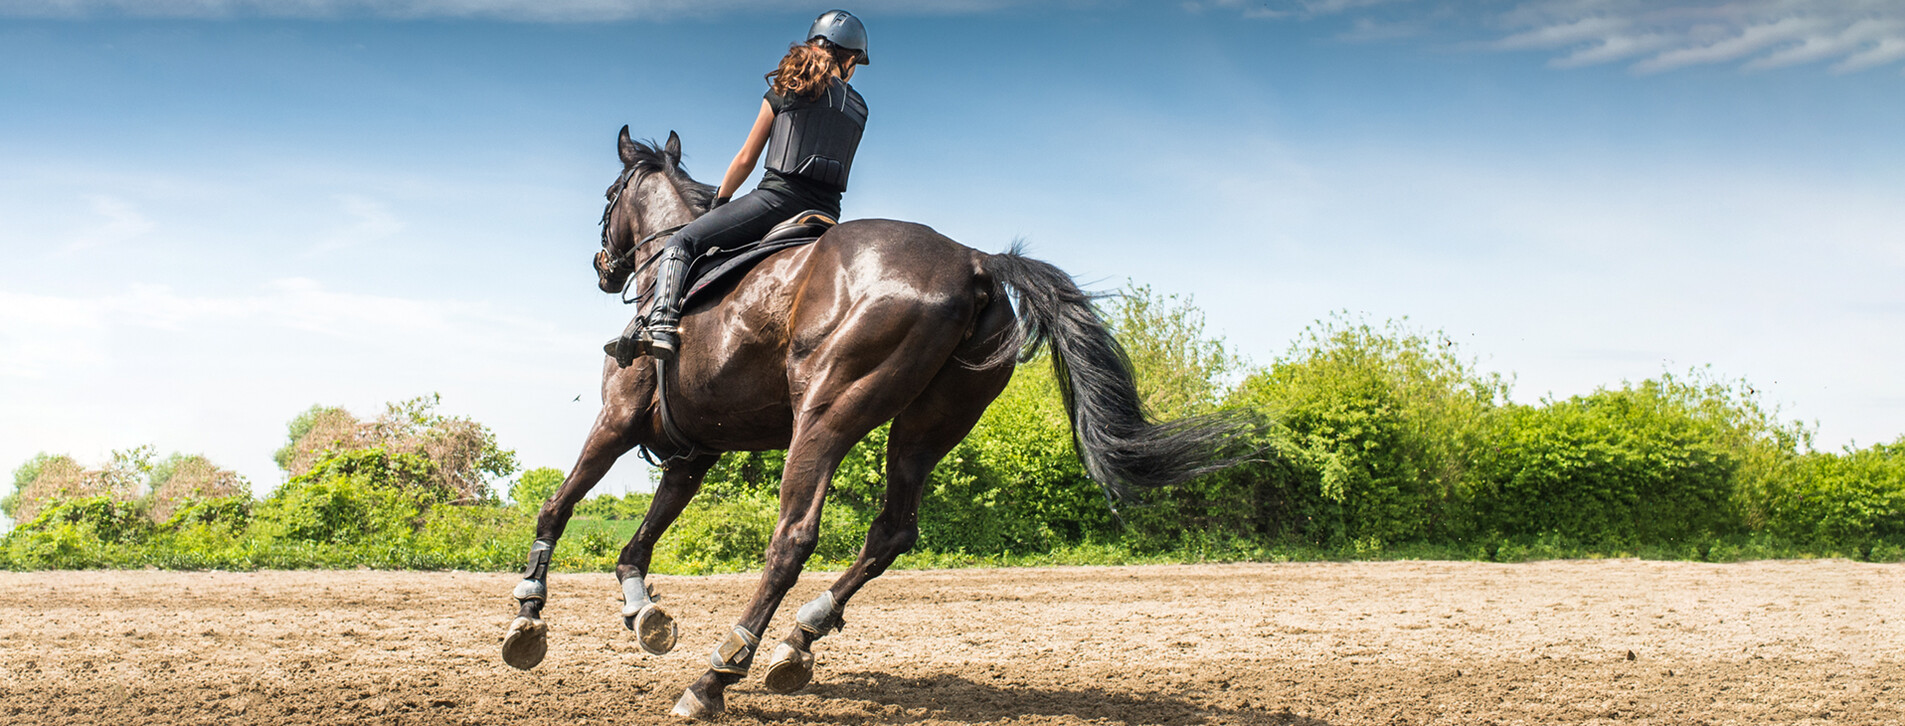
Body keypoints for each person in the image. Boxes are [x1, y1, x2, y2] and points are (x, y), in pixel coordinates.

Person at [607, 9, 871, 366]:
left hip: (776, 202)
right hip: (827, 216)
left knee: (681, 242)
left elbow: (746, 158)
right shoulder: (860, 108)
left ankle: (661, 325)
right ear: (850, 58)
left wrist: (721, 199)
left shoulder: (789, 87)